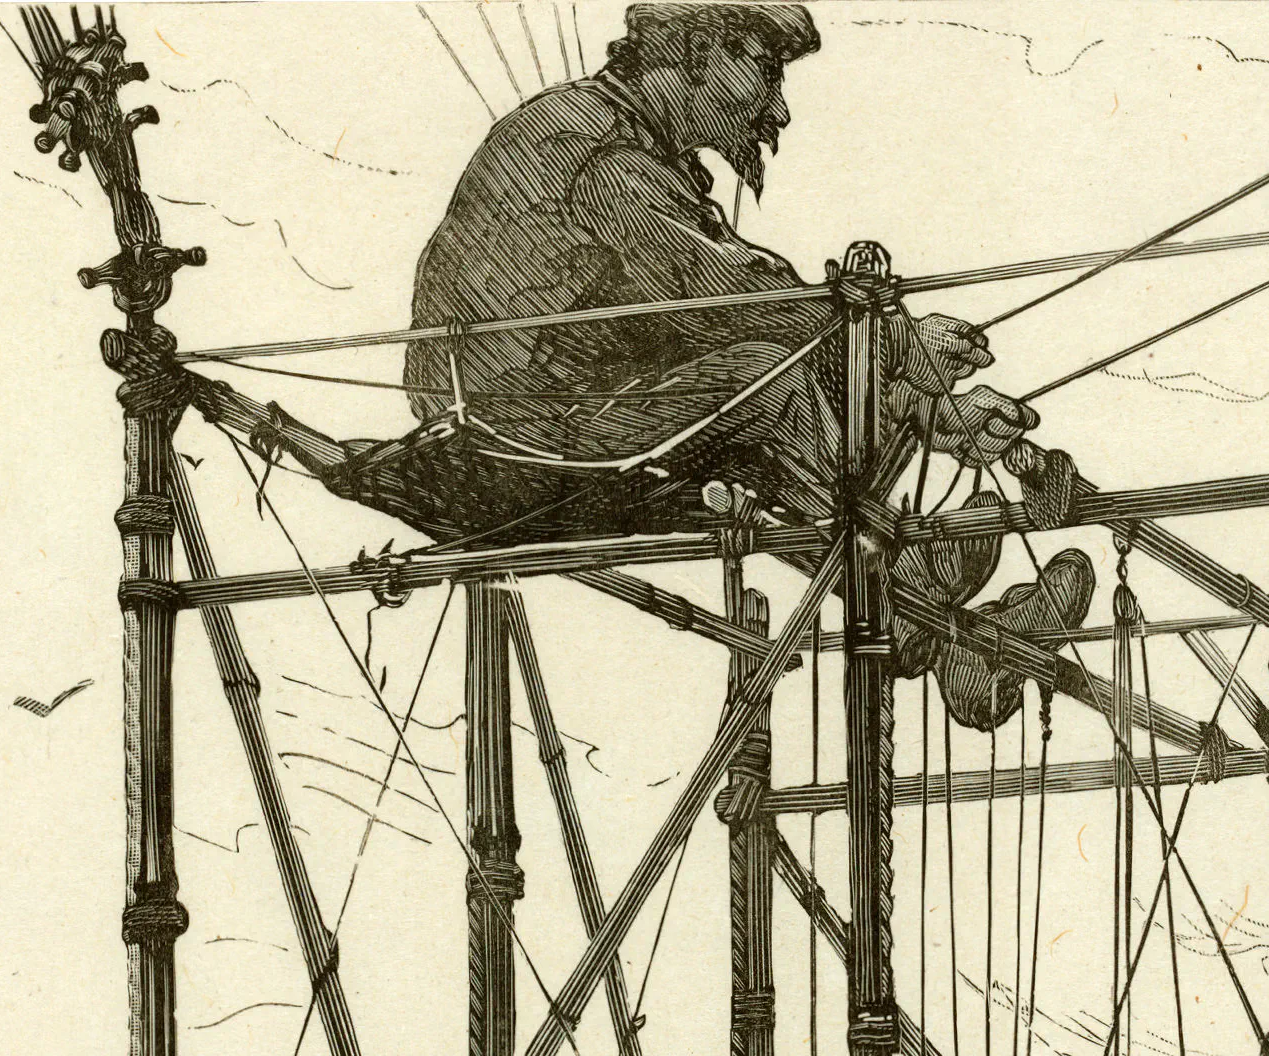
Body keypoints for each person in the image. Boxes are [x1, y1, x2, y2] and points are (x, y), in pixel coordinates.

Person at [404, 1, 1089, 726]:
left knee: (768, 384)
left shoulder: (631, 143)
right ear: (698, 51)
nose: (778, 110)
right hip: (514, 424)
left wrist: (914, 404)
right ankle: (924, 606)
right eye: (764, 74)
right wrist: (894, 346)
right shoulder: (598, 151)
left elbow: (716, 310)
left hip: (566, 398)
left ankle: (935, 614)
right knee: (767, 383)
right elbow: (723, 294)